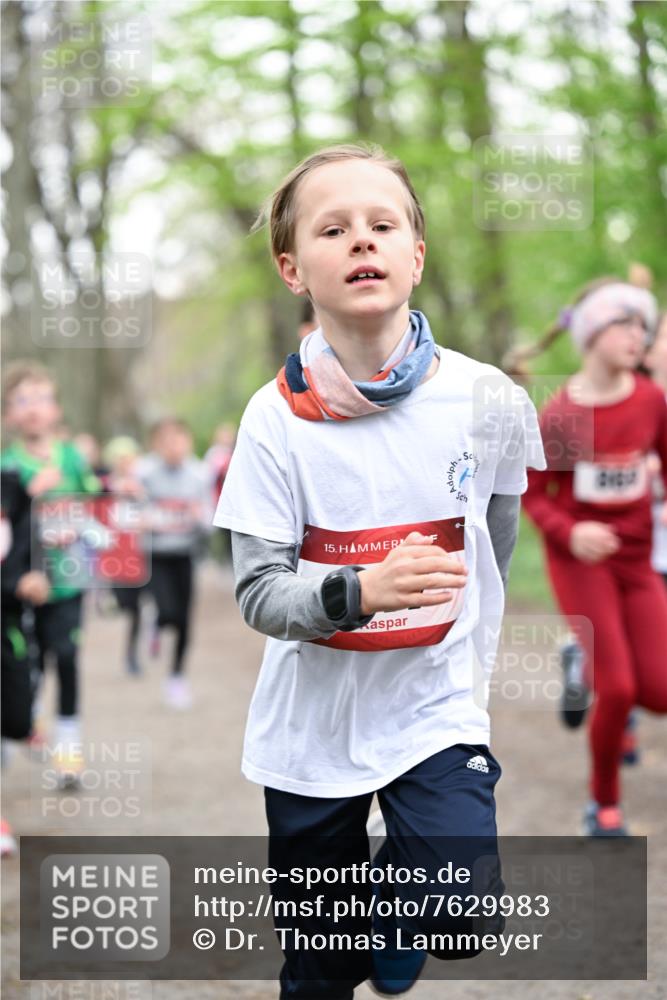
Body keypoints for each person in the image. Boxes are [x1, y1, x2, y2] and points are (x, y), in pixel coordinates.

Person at [214, 143, 545, 999]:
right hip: (311, 731)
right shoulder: (274, 418)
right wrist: (358, 593)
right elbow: (255, 591)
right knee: (320, 975)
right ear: (293, 268)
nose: (361, 241)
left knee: (462, 916)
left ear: (415, 253)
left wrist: (457, 650)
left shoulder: (489, 400)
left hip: (431, 710)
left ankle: (395, 912)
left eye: (381, 224)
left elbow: (492, 544)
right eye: (333, 229)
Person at [520, 276, 667, 837]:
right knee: (622, 689)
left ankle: (581, 662)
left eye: (643, 326)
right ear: (590, 333)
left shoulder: (652, 400)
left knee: (657, 692)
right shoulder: (562, 416)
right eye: (624, 324)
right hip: (580, 561)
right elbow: (534, 497)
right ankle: (601, 804)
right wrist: (573, 529)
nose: (638, 335)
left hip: (635, 561)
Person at [1, 361, 101, 786]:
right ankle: (21, 728)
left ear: (56, 409)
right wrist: (29, 494)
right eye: (22, 401)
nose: (34, 408)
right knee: (28, 664)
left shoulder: (72, 458)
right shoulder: (8, 466)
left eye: (42, 398)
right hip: (24, 590)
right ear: (8, 414)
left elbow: (95, 502)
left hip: (69, 580)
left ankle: (68, 752)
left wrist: (112, 504)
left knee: (68, 658)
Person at [138, 418, 212, 709]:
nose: (173, 447)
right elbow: (131, 510)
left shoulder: (199, 475)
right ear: (156, 444)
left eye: (178, 440)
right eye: (165, 441)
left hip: (186, 554)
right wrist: (143, 517)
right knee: (167, 611)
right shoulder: (145, 473)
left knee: (184, 620)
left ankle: (177, 677)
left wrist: (198, 517)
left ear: (188, 442)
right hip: (156, 554)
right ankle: (155, 622)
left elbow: (212, 520)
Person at [1, 468, 51, 855]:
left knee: (17, 718)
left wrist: (36, 575)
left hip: (9, 623)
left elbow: (31, 538)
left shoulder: (12, 484)